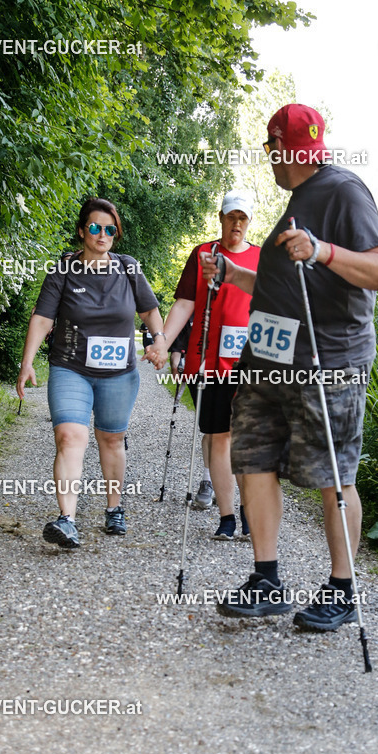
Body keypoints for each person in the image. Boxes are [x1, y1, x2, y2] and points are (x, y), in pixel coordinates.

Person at [202, 104, 378, 630]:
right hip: (269, 360)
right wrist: (231, 273)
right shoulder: (297, 201)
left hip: (326, 361)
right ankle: (267, 579)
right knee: (253, 460)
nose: (272, 162)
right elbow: (278, 284)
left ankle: (343, 589)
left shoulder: (343, 191)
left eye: (273, 152)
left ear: (286, 150)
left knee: (333, 475)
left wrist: (324, 250)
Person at [16, 197, 167, 548]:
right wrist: (27, 362)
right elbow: (42, 318)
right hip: (71, 368)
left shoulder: (129, 268)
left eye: (110, 229)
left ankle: (114, 508)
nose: (102, 234)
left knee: (111, 440)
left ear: (116, 234)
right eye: (95, 227)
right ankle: (66, 520)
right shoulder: (64, 269)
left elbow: (150, 312)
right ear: (83, 231)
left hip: (118, 373)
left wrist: (159, 340)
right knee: (70, 437)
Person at [146, 190, 260, 540]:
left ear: (249, 221)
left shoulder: (261, 257)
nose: (236, 223)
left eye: (242, 218)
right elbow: (183, 305)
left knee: (245, 439)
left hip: (249, 362)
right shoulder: (203, 254)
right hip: (208, 363)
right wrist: (161, 341)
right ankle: (227, 517)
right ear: (221, 217)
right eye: (231, 217)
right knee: (218, 436)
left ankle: (249, 511)